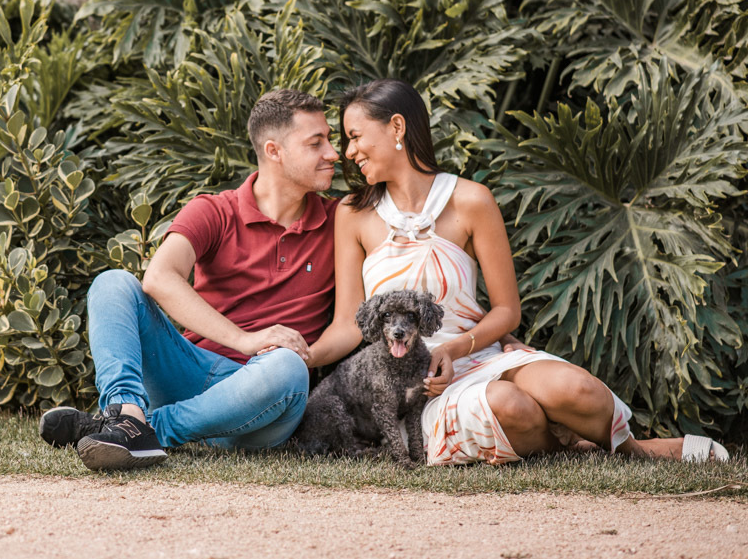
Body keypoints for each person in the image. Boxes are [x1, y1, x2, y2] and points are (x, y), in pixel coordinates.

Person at [335, 78, 730, 464]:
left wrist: (458, 348)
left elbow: (507, 310)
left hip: (478, 352)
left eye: (355, 136)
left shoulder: (472, 200)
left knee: (577, 390)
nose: (349, 151)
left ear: (397, 127)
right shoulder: (353, 215)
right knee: (510, 407)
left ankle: (636, 451)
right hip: (416, 380)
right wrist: (297, 359)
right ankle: (593, 450)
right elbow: (347, 326)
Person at [38, 89, 360, 471]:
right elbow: (159, 278)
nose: (333, 153)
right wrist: (245, 340)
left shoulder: (340, 220)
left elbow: (350, 324)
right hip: (190, 370)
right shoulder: (214, 210)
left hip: (265, 400)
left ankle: (138, 429)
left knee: (288, 367)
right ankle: (125, 411)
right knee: (112, 283)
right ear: (274, 151)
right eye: (316, 142)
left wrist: (298, 354)